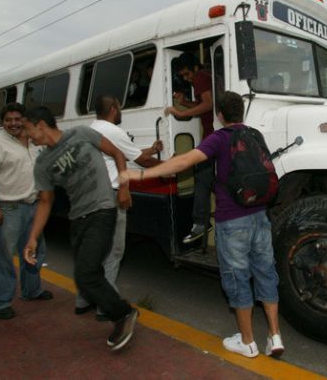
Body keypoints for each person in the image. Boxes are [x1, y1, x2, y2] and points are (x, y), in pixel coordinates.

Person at [123, 91, 284, 359]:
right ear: (241, 113)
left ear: (219, 115)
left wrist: (142, 173)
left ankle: (247, 342)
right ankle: (274, 335)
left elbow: (185, 161)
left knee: (237, 279)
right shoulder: (255, 134)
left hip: (232, 221)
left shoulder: (219, 138)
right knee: (266, 273)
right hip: (260, 216)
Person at [21, 106, 138, 351]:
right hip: (78, 218)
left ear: (40, 124)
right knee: (86, 275)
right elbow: (45, 201)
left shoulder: (82, 134)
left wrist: (124, 186)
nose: (27, 136)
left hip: (103, 209)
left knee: (86, 273)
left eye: (28, 129)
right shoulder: (42, 163)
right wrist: (33, 238)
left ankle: (123, 313)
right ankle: (119, 307)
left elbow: (117, 154)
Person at [75, 95, 163, 321]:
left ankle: (83, 300)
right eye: (120, 108)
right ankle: (106, 306)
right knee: (113, 252)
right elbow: (140, 161)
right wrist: (170, 164)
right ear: (114, 109)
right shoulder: (114, 131)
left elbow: (124, 153)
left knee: (92, 252)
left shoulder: (91, 130)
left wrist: (152, 150)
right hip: (110, 198)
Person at [0, 103, 53, 320]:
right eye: (8, 120)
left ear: (25, 120)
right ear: (3, 122)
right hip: (8, 209)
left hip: (33, 206)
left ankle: (31, 290)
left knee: (35, 251)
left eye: (17, 119)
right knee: (4, 257)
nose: (13, 124)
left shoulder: (34, 141)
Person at [165, 52, 215, 244]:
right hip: (215, 135)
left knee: (202, 179)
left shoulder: (201, 77)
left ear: (195, 67)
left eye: (187, 74)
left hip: (212, 137)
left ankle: (201, 223)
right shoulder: (209, 75)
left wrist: (179, 111)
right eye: (184, 77)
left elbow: (208, 104)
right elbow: (205, 103)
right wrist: (186, 102)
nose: (187, 79)